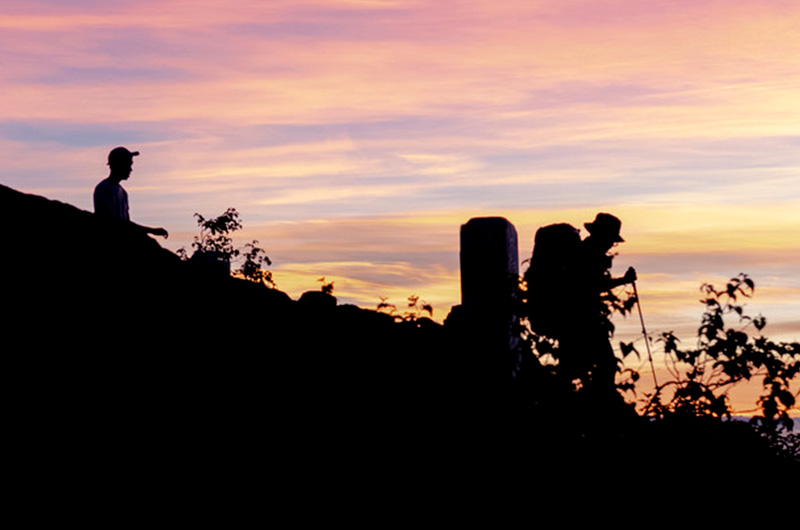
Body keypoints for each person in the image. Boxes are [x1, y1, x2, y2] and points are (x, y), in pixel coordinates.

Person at [559, 213, 636, 394]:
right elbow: (592, 285)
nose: (611, 245)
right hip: (582, 318)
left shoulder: (582, 251)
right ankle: (601, 404)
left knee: (571, 369)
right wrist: (623, 280)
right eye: (611, 240)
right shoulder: (589, 254)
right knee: (606, 365)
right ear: (602, 236)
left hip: (570, 317)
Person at [94, 147, 168, 238]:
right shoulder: (104, 189)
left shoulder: (123, 193)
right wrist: (150, 230)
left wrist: (150, 230)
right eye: (128, 164)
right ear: (118, 165)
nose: (130, 169)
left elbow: (126, 223)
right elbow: (109, 222)